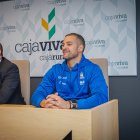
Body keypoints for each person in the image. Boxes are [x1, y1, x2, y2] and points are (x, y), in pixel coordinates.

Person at [31, 33, 108, 109]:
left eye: (69, 44)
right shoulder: (56, 70)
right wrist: (44, 103)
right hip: (59, 114)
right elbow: (37, 94)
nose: (64, 47)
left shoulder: (93, 69)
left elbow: (101, 97)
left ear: (80, 48)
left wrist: (69, 104)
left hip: (84, 115)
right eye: (63, 45)